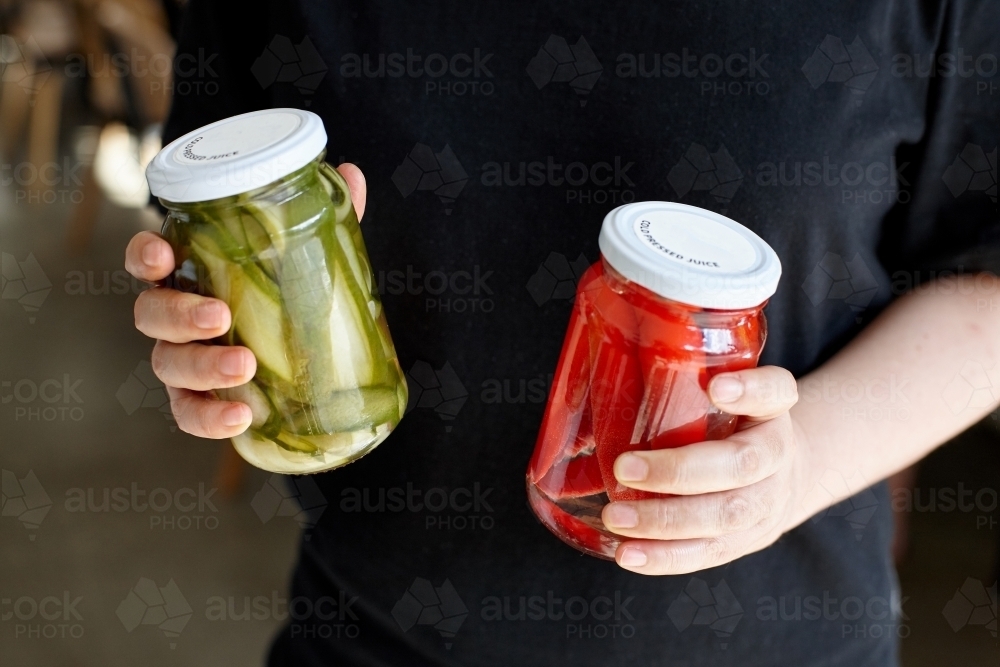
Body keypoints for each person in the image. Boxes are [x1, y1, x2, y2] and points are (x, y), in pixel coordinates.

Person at [124, 1, 999, 664]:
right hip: (381, 629)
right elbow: (213, 194)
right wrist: (203, 336)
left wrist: (804, 456)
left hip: (771, 638)